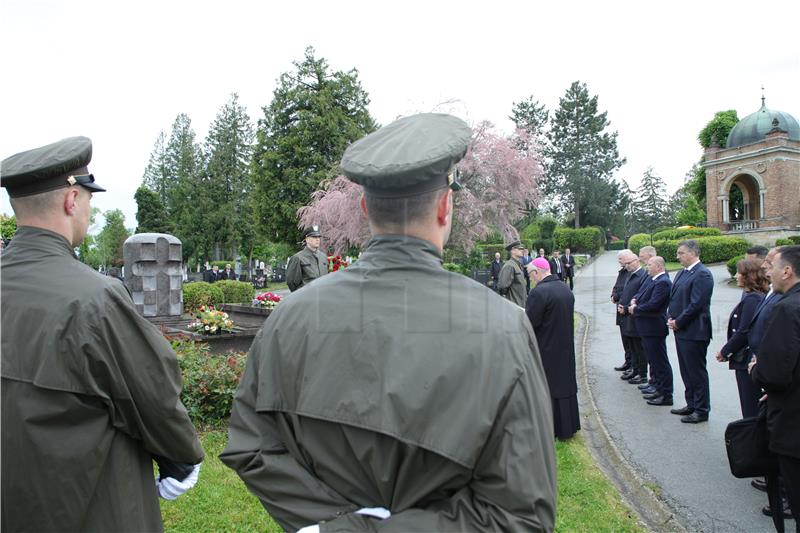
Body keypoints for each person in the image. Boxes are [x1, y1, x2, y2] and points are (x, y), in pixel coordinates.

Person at [220, 113, 556, 532]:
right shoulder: (504, 327)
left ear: (364, 207)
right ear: (444, 205)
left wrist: (328, 524)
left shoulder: (291, 314)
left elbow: (251, 446)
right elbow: (520, 516)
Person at [1, 137, 203, 532]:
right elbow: (150, 391)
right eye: (89, 201)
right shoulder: (95, 298)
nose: (88, 212)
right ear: (71, 200)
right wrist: (182, 459)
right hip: (88, 504)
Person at [750, 245, 800, 525]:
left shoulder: (787, 309)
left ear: (788, 271)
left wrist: (757, 370)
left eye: (773, 266)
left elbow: (774, 375)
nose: (767, 273)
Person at [526, 257, 580, 440]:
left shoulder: (539, 292)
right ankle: (568, 426)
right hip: (564, 345)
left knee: (549, 387)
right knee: (564, 384)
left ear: (537, 272)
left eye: (530, 275)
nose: (531, 279)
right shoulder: (564, 288)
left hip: (546, 346)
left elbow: (529, 323)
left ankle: (553, 428)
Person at [713, 259, 767, 418]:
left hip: (747, 360)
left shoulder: (753, 299)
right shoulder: (751, 295)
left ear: (748, 276)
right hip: (747, 358)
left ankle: (753, 440)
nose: (736, 276)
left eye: (739, 273)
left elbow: (744, 331)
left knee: (750, 405)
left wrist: (725, 351)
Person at [668, 239, 714, 423]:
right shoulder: (681, 273)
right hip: (681, 330)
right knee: (686, 370)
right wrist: (670, 317)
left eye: (681, 253)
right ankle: (691, 404)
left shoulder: (703, 274)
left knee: (696, 371)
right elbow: (674, 298)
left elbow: (696, 304)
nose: (677, 256)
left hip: (695, 330)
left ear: (693, 253)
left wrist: (679, 321)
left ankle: (701, 409)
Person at [629, 256, 673, 405]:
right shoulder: (654, 280)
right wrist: (635, 300)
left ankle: (665, 393)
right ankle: (657, 387)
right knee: (654, 361)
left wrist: (635, 309)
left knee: (660, 362)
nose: (647, 267)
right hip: (647, 327)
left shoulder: (663, 282)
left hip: (654, 327)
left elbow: (654, 305)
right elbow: (641, 294)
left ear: (659, 266)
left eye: (649, 264)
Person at [617, 251, 648, 385]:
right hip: (627, 315)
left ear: (637, 261)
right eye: (626, 263)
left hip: (635, 316)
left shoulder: (642, 275)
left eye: (629, 263)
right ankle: (634, 369)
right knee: (632, 346)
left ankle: (642, 373)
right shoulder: (629, 274)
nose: (627, 265)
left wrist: (629, 306)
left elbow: (640, 295)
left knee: (639, 348)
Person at [286, 225, 328, 292]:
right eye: (314, 237)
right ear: (307, 239)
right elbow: (291, 282)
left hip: (322, 296)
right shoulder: (298, 258)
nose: (317, 239)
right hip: (306, 297)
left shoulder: (323, 257)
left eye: (319, 237)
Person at [612, 250, 633, 372]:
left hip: (627, 311)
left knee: (631, 341)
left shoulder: (630, 272)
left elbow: (628, 290)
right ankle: (628, 361)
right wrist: (613, 294)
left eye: (621, 259)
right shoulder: (622, 272)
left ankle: (633, 364)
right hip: (620, 309)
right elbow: (616, 286)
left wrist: (617, 296)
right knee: (624, 339)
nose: (619, 261)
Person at [497, 240, 527, 307]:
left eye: (522, 249)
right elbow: (502, 287)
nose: (522, 250)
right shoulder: (509, 266)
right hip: (514, 305)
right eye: (519, 249)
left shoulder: (518, 264)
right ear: (512, 250)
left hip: (520, 304)